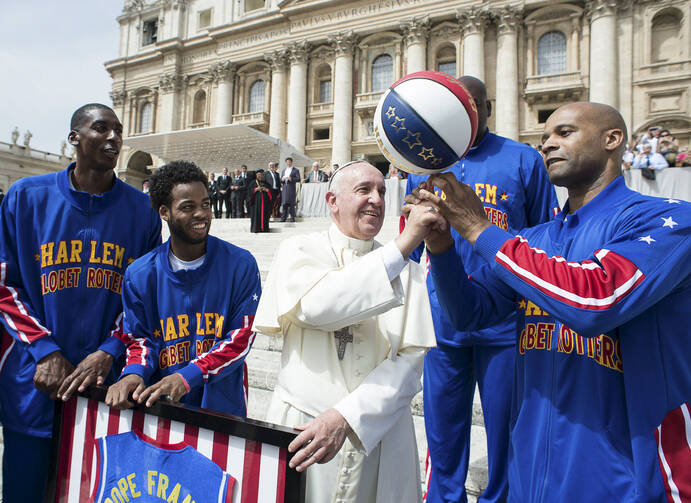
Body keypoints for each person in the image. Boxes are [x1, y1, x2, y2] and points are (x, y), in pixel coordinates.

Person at [411, 102, 690, 502]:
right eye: (543, 138)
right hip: (532, 474)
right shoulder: (538, 238)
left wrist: (478, 228)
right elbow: (470, 314)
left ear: (613, 140)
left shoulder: (665, 220)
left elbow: (594, 300)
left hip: (626, 478)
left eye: (565, 132)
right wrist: (441, 249)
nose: (547, 145)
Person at [405, 75, 559, 503]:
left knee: (507, 430)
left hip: (505, 324)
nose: (462, 113)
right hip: (443, 323)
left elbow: (544, 237)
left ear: (486, 108)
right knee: (442, 430)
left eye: (470, 105)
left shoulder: (524, 159)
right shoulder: (423, 164)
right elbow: (411, 245)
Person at [0, 103, 162, 502]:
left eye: (119, 131)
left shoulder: (142, 211)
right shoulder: (26, 198)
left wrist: (110, 350)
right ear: (75, 138)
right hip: (34, 381)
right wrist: (43, 349)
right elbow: (5, 286)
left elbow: (143, 300)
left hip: (104, 388)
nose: (114, 139)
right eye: (101, 128)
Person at [254, 161, 439, 503]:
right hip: (302, 423)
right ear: (332, 201)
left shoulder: (407, 270)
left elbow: (411, 363)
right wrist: (405, 242)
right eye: (364, 190)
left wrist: (348, 416)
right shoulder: (298, 250)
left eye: (382, 191)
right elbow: (317, 307)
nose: (376, 200)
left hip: (380, 431)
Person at [105, 161, 260, 416]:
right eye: (188, 207)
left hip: (221, 409)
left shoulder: (240, 264)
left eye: (206, 204)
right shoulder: (140, 274)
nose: (201, 213)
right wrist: (134, 372)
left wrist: (188, 376)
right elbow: (140, 338)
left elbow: (241, 338)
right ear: (165, 212)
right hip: (161, 407)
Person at [280, 157, 300, 222]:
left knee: (291, 203)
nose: (288, 163)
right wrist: (282, 180)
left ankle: (292, 218)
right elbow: (281, 179)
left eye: (289, 162)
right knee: (284, 204)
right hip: (285, 188)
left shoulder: (295, 170)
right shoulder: (284, 170)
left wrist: (291, 179)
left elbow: (298, 179)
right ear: (286, 162)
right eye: (287, 162)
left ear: (291, 162)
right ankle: (283, 218)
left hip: (291, 188)